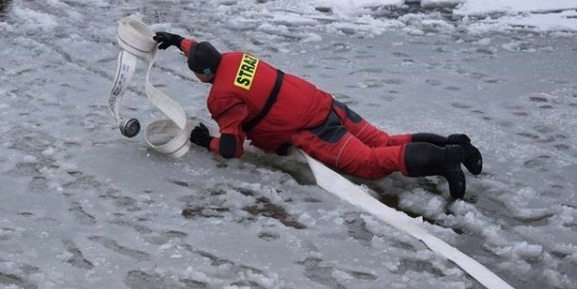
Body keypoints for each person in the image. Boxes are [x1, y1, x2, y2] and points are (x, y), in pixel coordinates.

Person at [152, 31, 483, 199]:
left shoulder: (222, 97)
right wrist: (181, 41)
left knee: (370, 163)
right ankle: (455, 145)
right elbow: (206, 55)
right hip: (324, 103)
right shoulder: (237, 58)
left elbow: (231, 149)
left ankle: (444, 161)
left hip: (313, 128)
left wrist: (202, 141)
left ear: (202, 74)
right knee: (382, 140)